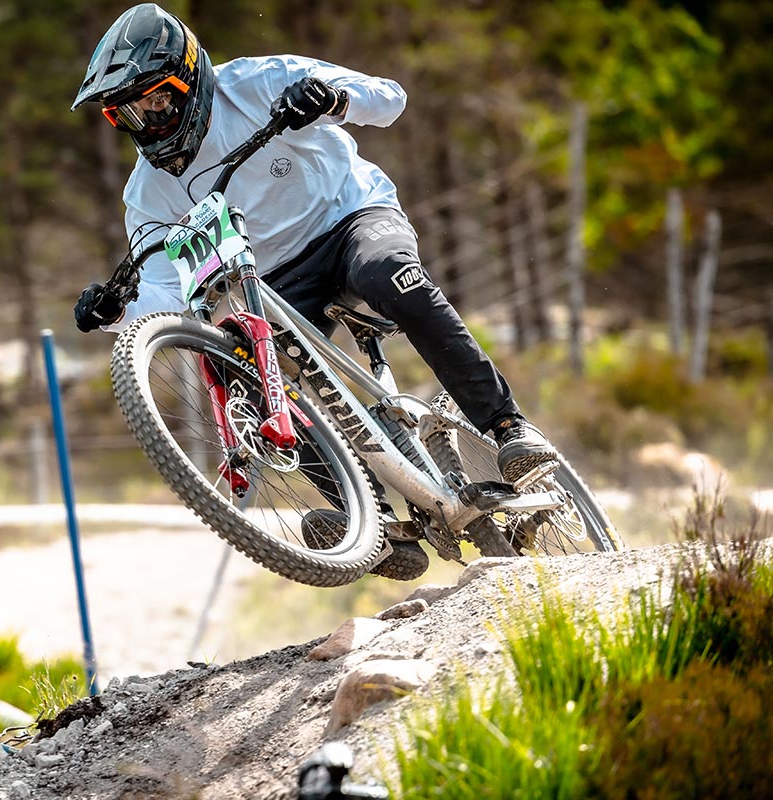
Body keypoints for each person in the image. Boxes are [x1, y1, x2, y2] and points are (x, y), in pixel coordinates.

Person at [69, 4, 557, 526]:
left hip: (351, 219)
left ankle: (508, 427)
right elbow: (169, 293)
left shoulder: (262, 82)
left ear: (189, 78)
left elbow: (390, 98)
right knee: (242, 379)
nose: (147, 125)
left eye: (156, 102)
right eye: (126, 115)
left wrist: (334, 100)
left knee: (388, 276)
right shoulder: (146, 195)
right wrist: (118, 311)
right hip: (276, 281)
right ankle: (370, 521)